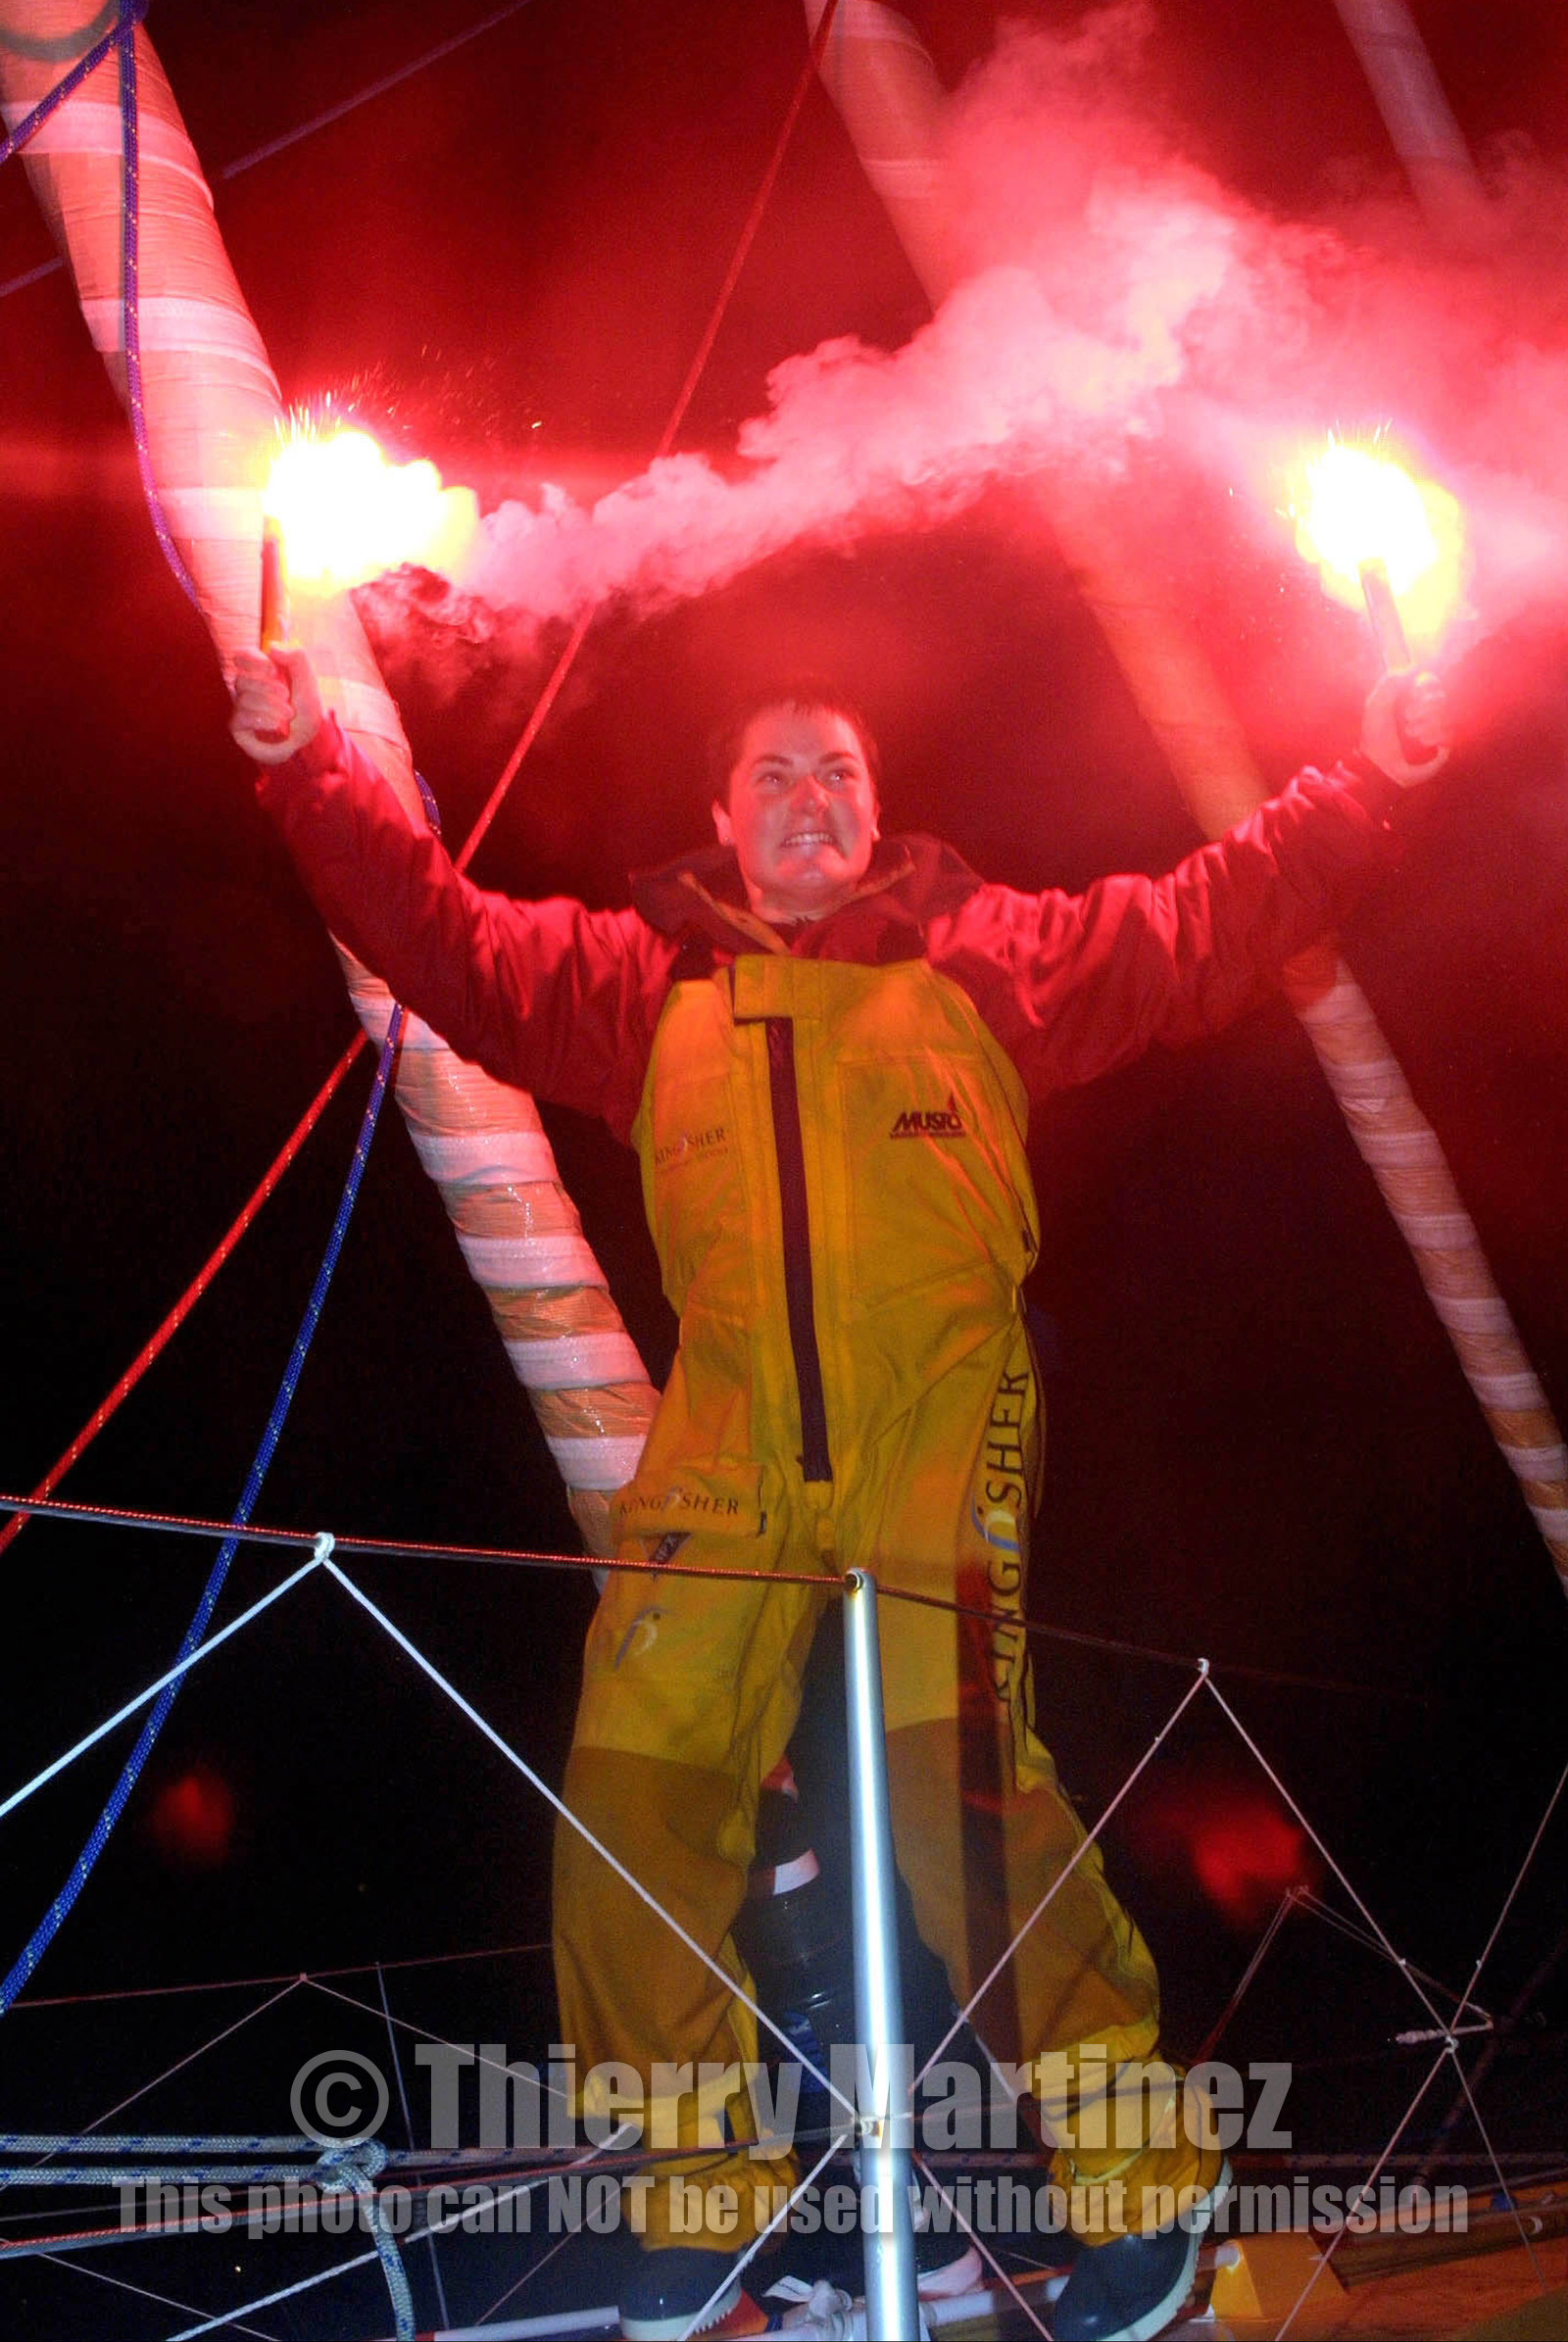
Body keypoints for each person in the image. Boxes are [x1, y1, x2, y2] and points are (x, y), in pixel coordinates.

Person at [231, 646, 1446, 2341]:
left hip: (938, 1401)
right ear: (722, 819)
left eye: (842, 777)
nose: (812, 801)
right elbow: (443, 934)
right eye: (778, 777)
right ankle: (704, 2208)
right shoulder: (636, 974)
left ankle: (1141, 2201)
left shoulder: (987, 952)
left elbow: (1198, 924)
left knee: (953, 1787)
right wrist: (302, 760)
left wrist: (1369, 771)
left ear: (876, 817)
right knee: (636, 1795)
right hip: (727, 1422)